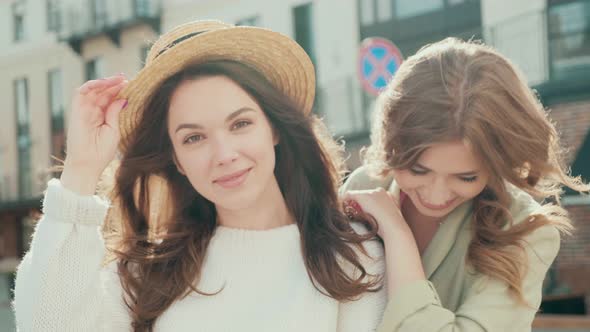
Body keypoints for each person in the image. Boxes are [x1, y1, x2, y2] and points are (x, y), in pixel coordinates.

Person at [14, 20, 387, 332]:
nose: (224, 155)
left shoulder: (352, 257)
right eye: (194, 138)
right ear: (176, 159)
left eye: (240, 123)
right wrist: (80, 169)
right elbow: (47, 324)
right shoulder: (150, 275)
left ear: (273, 128)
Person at [341, 37, 589, 332]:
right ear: (391, 144)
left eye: (466, 177)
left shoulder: (526, 232)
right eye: (418, 170)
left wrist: (397, 235)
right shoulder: (366, 185)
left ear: (497, 163)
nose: (436, 194)